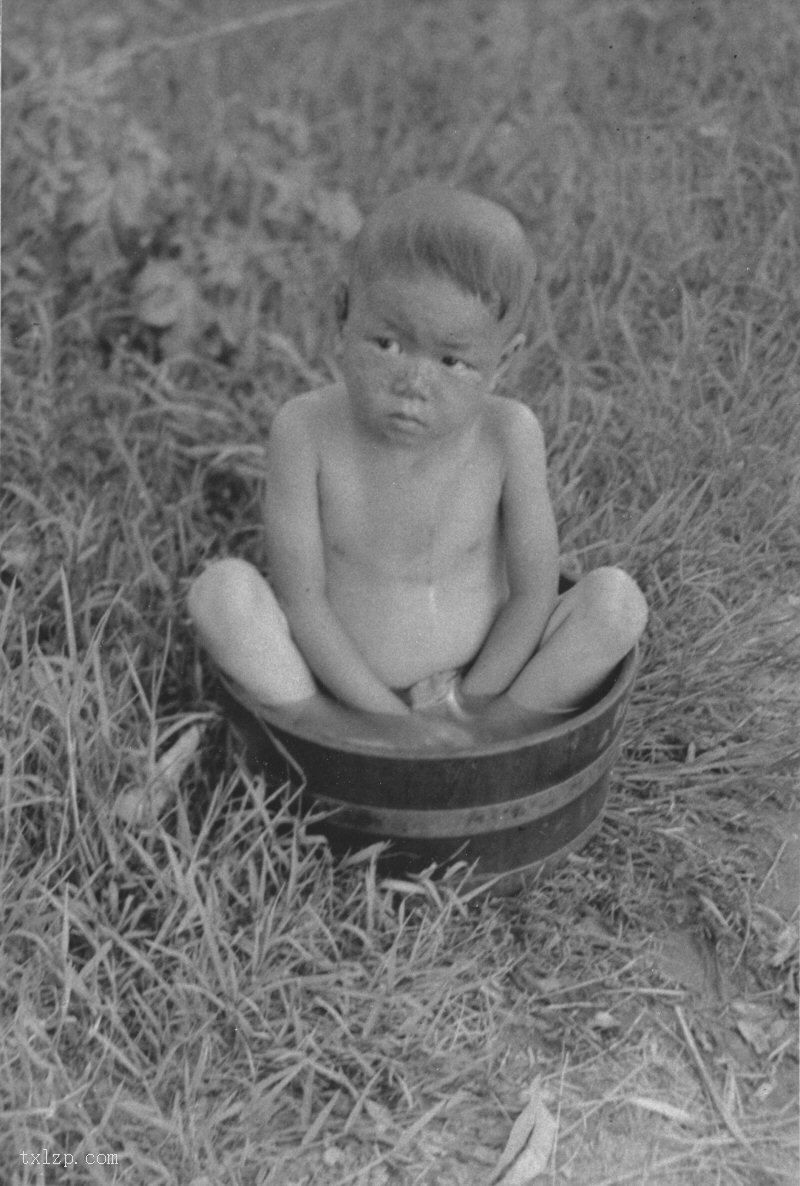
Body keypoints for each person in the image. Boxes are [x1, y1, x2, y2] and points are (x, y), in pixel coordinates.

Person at [188, 183, 647, 749]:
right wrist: (393, 723)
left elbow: (533, 594)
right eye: (387, 344)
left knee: (616, 604)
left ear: (505, 360)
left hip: (485, 691)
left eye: (453, 361)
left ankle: (498, 742)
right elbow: (300, 601)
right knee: (222, 593)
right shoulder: (305, 430)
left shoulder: (509, 436)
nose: (413, 384)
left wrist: (472, 709)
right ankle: (327, 734)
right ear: (342, 316)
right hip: (338, 691)